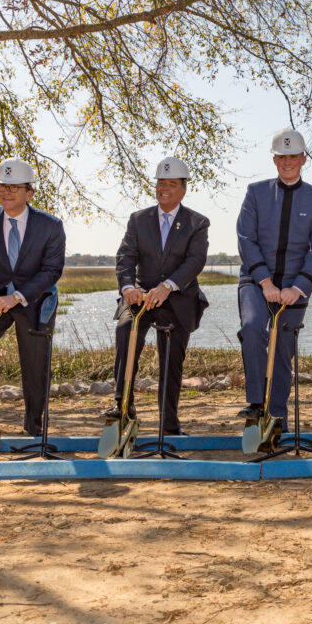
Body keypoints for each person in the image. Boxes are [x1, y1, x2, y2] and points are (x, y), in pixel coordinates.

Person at [100, 157, 209, 435]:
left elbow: (195, 262)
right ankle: (123, 407)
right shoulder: (139, 220)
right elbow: (125, 256)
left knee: (171, 359)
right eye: (161, 183)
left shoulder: (197, 222)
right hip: (139, 296)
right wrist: (128, 288)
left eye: (171, 184)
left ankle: (169, 424)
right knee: (126, 333)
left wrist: (168, 286)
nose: (164, 188)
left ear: (183, 189)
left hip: (178, 298)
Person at [0, 158, 65, 436]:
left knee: (34, 360)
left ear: (29, 193)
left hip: (35, 298)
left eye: (13, 187)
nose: (6, 192)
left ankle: (33, 425)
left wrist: (17, 297)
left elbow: (52, 271)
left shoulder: (51, 226)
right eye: (2, 187)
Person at [235, 129, 312, 431]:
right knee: (252, 329)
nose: (287, 162)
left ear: (303, 159)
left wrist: (297, 287)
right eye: (281, 157)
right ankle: (255, 405)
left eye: (293, 157)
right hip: (255, 281)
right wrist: (265, 282)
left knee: (283, 354)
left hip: (294, 287)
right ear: (274, 159)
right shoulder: (255, 193)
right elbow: (245, 239)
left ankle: (276, 419)